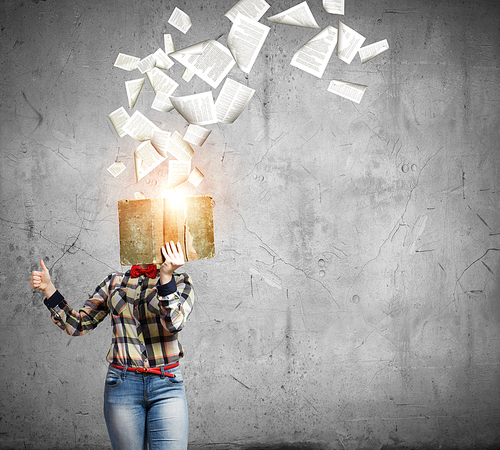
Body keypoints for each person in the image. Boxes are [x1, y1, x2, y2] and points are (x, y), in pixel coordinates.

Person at [30, 241, 195, 450]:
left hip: (167, 385)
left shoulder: (181, 282)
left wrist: (166, 278)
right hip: (122, 386)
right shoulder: (113, 282)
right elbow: (79, 325)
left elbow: (174, 323)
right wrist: (48, 288)